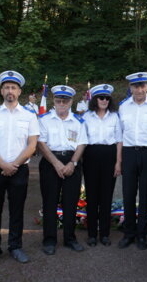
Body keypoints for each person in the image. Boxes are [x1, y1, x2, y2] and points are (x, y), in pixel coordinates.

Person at [0, 71, 39, 267]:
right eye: (6, 87)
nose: (10, 91)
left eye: (13, 87)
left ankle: (15, 246)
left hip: (19, 170)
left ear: (19, 91)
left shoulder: (30, 116)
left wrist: (14, 165)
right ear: (1, 90)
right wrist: (3, 165)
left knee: (17, 210)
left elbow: (32, 145)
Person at [38, 85, 88, 255]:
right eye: (58, 100)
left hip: (72, 162)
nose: (61, 104)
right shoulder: (44, 119)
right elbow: (41, 144)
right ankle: (49, 240)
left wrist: (72, 163)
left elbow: (82, 143)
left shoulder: (79, 121)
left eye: (65, 101)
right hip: (50, 162)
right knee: (49, 203)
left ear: (71, 102)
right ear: (54, 101)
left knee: (70, 202)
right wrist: (56, 164)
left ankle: (70, 238)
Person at [118, 72, 147, 250]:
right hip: (129, 153)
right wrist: (119, 160)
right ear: (130, 88)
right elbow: (120, 136)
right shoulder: (123, 107)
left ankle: (142, 235)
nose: (139, 89)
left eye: (142, 85)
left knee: (145, 195)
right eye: (135, 86)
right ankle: (129, 233)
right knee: (128, 194)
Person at [82, 84, 122, 247]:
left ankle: (104, 234)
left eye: (107, 98)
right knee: (92, 197)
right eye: (101, 97)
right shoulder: (86, 117)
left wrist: (118, 162)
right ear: (95, 99)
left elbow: (119, 140)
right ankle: (92, 234)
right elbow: (82, 141)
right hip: (91, 156)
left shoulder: (114, 117)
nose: (104, 100)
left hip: (109, 156)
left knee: (106, 197)